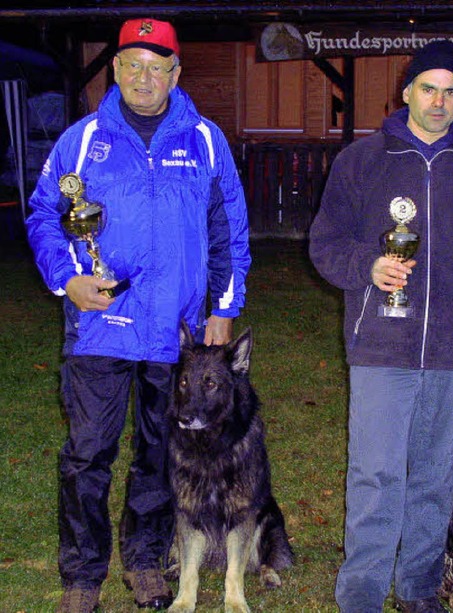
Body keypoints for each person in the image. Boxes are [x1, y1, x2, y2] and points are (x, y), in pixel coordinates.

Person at [25, 18, 250, 613]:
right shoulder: (81, 139)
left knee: (161, 453)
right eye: (131, 65)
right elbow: (45, 215)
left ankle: (147, 560)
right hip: (100, 326)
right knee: (87, 453)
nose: (143, 78)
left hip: (177, 332)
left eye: (156, 67)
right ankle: (82, 574)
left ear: (176, 73)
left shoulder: (204, 139)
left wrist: (223, 310)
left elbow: (230, 231)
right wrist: (66, 279)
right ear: (115, 69)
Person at [309, 40, 453, 613]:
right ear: (406, 92)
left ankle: (418, 587)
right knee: (376, 477)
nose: (439, 101)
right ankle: (360, 593)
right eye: (427, 88)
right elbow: (325, 245)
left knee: (434, 480)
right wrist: (368, 265)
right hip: (381, 342)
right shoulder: (362, 161)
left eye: (451, 91)